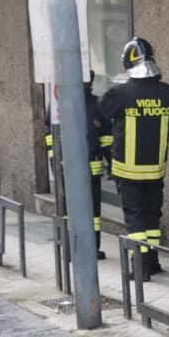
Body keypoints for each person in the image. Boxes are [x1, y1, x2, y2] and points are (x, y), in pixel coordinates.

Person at [98, 37, 169, 276]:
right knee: (152, 216)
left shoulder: (120, 93)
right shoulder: (167, 92)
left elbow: (103, 111)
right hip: (156, 168)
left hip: (128, 170)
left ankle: (141, 268)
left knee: (135, 220)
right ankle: (152, 261)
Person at [44, 71, 110, 260]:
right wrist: (54, 161)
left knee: (93, 212)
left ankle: (92, 247)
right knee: (68, 210)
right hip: (67, 168)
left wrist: (111, 162)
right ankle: (70, 247)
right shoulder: (58, 105)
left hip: (91, 167)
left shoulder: (97, 104)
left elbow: (106, 136)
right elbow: (50, 135)